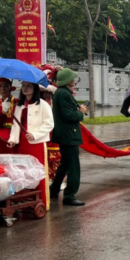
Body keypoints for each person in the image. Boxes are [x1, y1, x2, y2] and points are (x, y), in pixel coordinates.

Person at [7, 81, 54, 209]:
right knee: (22, 172)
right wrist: (12, 139)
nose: (25, 88)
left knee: (37, 172)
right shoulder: (19, 105)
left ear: (35, 88)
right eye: (23, 86)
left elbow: (49, 124)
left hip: (36, 143)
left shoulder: (43, 105)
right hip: (21, 143)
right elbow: (16, 125)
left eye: (28, 86)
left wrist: (35, 134)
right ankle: (23, 200)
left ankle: (42, 202)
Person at [49, 68, 88, 206]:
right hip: (68, 134)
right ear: (67, 80)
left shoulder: (62, 92)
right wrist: (80, 112)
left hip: (65, 134)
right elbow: (69, 115)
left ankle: (53, 190)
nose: (74, 80)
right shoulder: (64, 94)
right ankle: (69, 195)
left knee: (65, 164)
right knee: (73, 166)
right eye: (72, 78)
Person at [0, 78, 17, 154]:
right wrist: (3, 112)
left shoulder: (18, 102)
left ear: (10, 88)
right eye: (0, 86)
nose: (2, 88)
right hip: (0, 130)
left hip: (15, 131)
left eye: (6, 86)